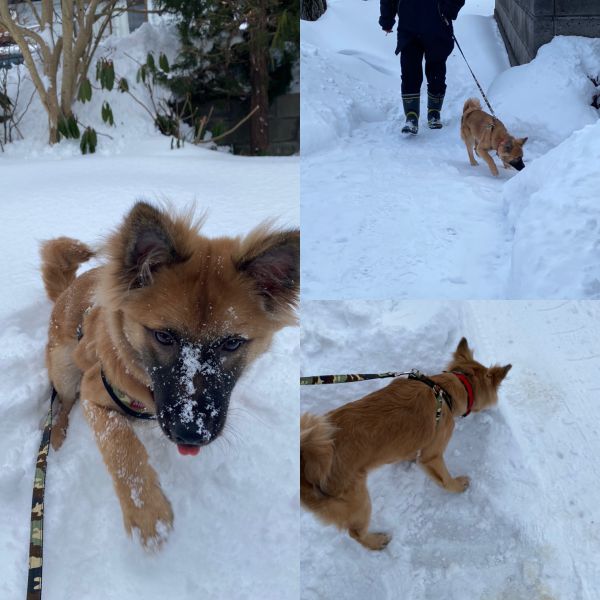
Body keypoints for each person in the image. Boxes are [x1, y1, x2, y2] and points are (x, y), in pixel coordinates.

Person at [379, 0, 465, 135]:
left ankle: (434, 112)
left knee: (436, 70)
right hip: (408, 27)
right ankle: (411, 116)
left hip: (438, 26)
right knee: (409, 72)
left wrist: (447, 10)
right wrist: (387, 19)